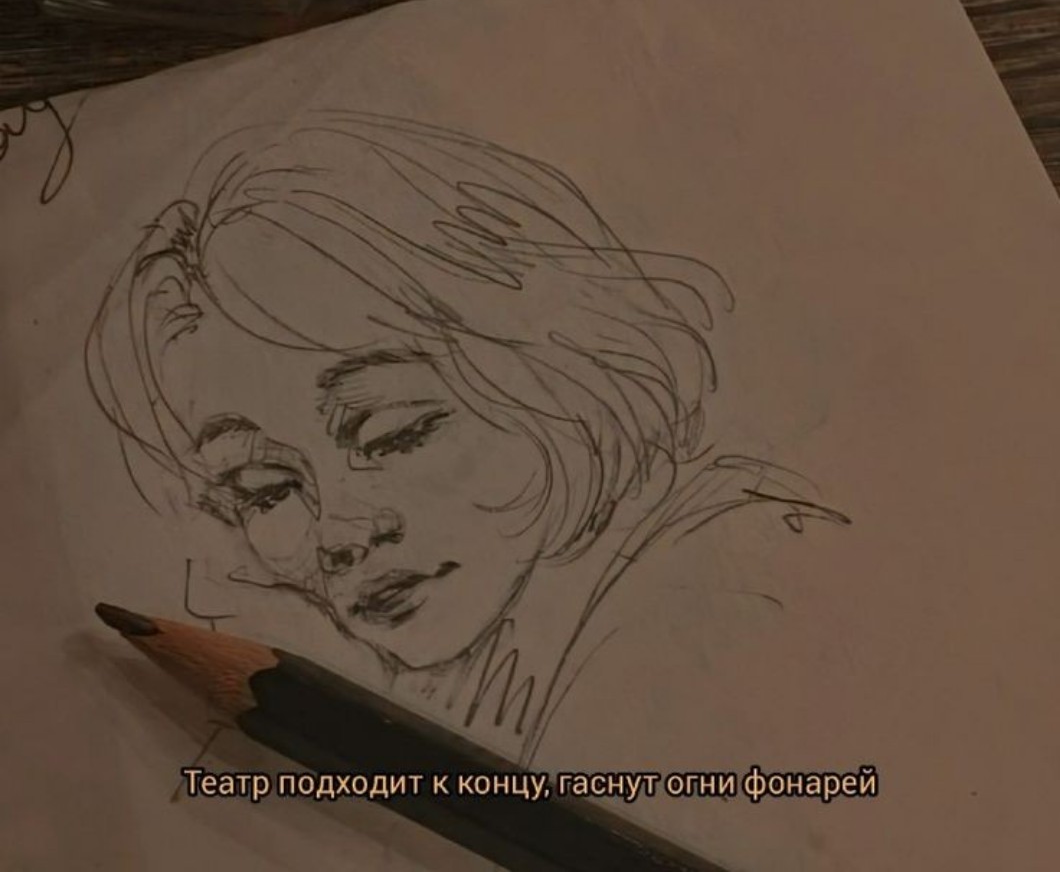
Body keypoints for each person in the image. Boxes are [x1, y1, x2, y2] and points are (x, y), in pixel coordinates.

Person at [86, 111, 846, 763]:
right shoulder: (484, 666)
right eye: (265, 490)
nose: (341, 534)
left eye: (393, 433)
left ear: (561, 370)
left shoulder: (726, 593)